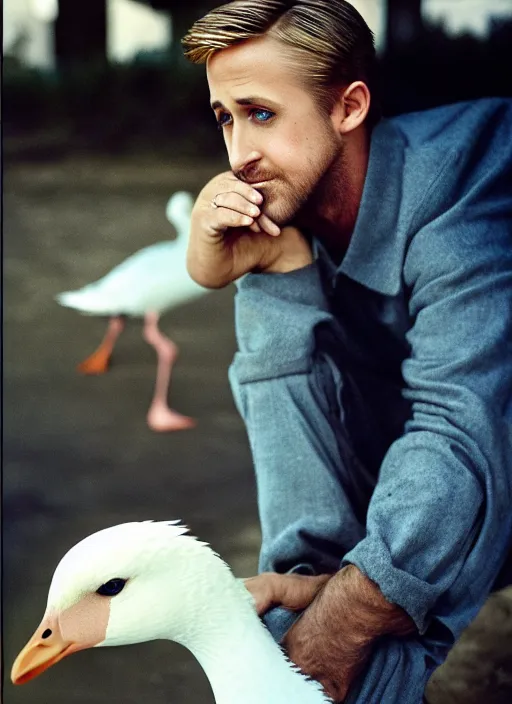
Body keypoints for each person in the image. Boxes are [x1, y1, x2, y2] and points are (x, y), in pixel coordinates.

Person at [181, 1, 512, 702]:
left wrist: (338, 622)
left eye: (260, 113)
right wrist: (268, 272)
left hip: (489, 443)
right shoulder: (287, 209)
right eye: (224, 119)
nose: (238, 155)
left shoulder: (464, 190)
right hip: (459, 459)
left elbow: (461, 427)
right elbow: (294, 426)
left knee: (351, 622)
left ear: (350, 107)